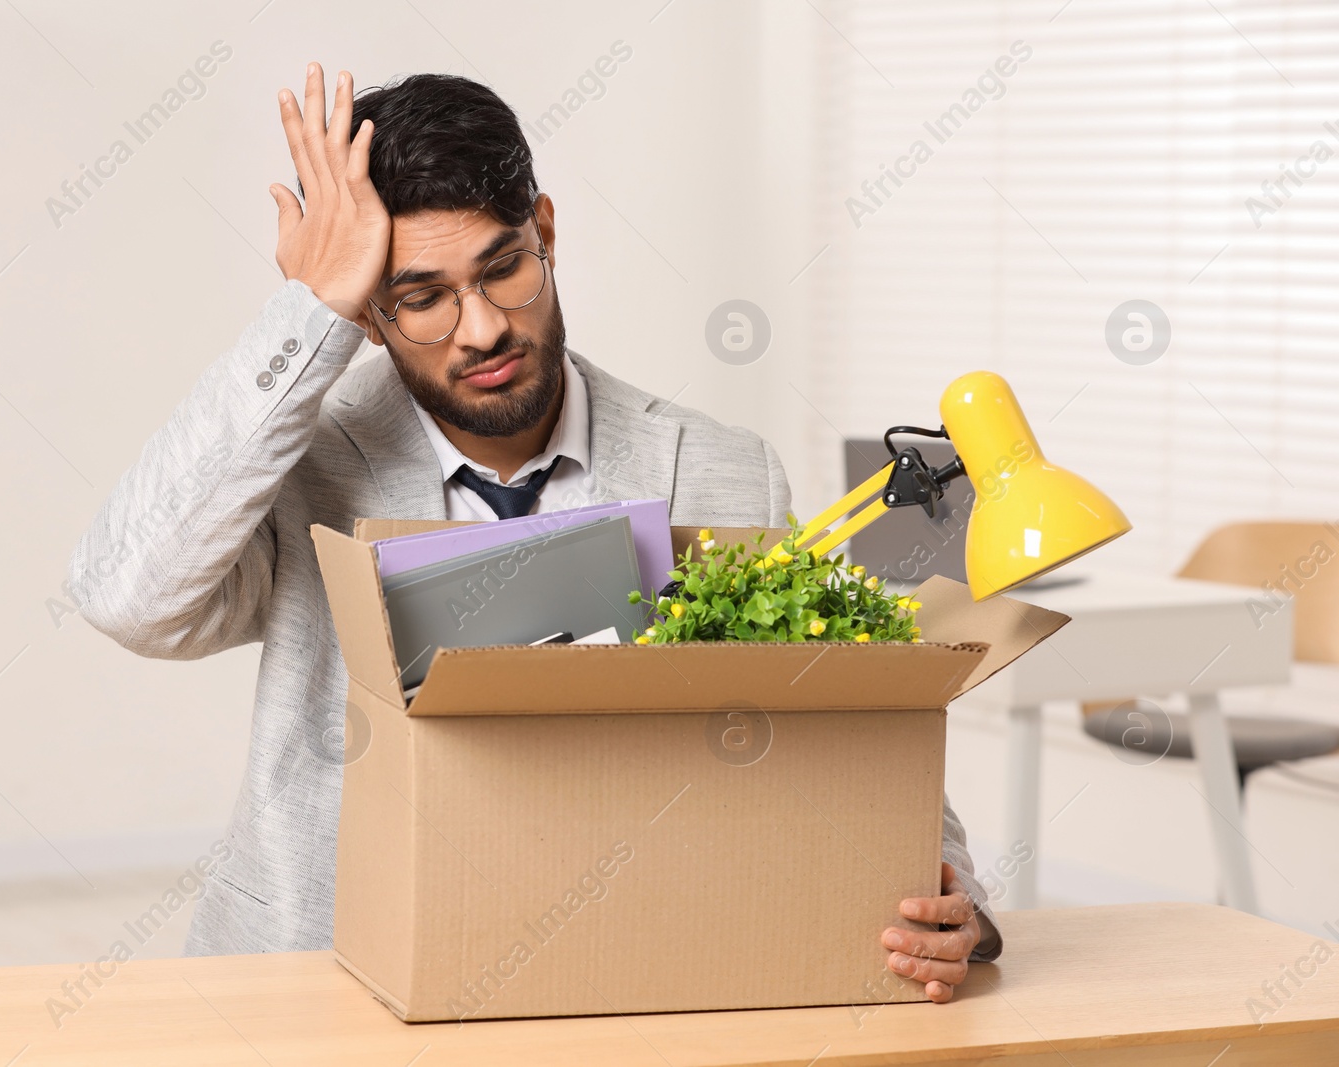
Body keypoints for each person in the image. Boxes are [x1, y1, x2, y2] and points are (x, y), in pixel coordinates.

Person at [67, 61, 1000, 1003]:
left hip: (609, 972)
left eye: (503, 269)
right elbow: (128, 598)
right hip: (321, 977)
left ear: (544, 233)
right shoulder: (299, 460)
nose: (481, 330)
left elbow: (853, 710)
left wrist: (949, 887)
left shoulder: (724, 467)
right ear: (371, 316)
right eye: (421, 297)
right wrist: (308, 315)